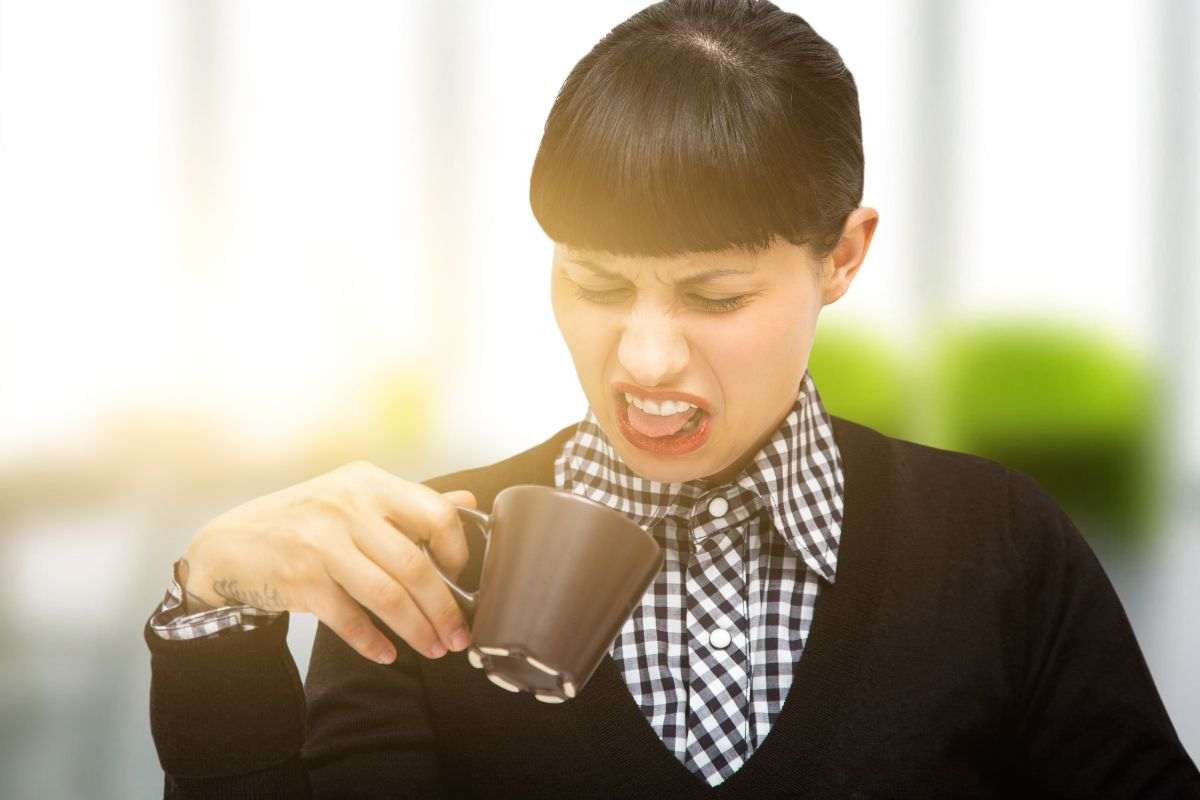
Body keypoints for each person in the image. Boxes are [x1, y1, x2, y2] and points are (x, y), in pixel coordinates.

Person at [143, 1, 1200, 797]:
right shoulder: (421, 561)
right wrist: (213, 601)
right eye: (597, 284)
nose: (644, 358)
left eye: (716, 294)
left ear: (842, 255)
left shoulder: (997, 544)